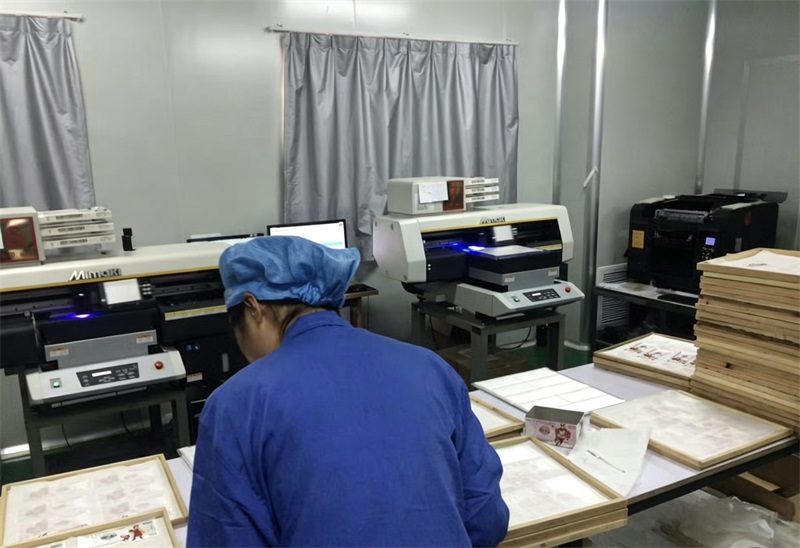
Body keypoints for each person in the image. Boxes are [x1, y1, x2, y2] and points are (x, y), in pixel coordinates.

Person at [187, 236, 509, 547]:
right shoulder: (430, 367)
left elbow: (226, 536)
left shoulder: (234, 403)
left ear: (253, 307)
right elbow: (486, 518)